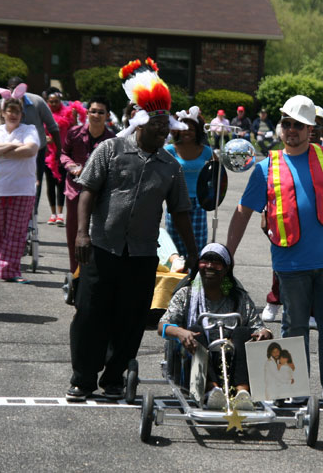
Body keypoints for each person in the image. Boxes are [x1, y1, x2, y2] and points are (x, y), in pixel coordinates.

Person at [67, 59, 198, 402]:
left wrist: (194, 251)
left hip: (141, 256)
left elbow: (181, 212)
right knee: (91, 316)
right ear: (139, 122)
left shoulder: (171, 166)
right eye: (156, 124)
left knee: (129, 320)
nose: (162, 131)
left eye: (165, 126)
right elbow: (87, 192)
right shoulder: (109, 150)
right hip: (101, 249)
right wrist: (82, 234)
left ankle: (113, 379)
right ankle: (82, 379)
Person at [226, 94, 323, 406]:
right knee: (293, 329)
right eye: (286, 123)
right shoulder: (266, 168)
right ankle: (291, 388)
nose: (291, 130)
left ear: (311, 128)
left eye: (298, 125)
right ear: (280, 127)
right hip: (290, 267)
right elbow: (242, 212)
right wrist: (226, 254)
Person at [158, 243, 272, 409]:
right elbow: (162, 326)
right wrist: (181, 332)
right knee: (195, 330)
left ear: (226, 269)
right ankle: (211, 390)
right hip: (196, 357)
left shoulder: (238, 297)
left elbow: (257, 326)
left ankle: (242, 392)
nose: (210, 266)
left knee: (242, 332)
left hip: (231, 359)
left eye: (217, 262)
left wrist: (264, 333)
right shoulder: (187, 294)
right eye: (205, 261)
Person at [0, 97, 40, 283]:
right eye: (10, 111)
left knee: (16, 233)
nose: (13, 115)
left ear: (21, 114)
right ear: (3, 113)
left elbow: (30, 150)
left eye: (17, 111)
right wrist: (15, 145)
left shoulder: (29, 129)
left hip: (22, 189)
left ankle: (11, 270)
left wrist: (2, 151)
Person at [60, 96, 116, 274]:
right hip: (75, 191)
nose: (96, 115)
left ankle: (92, 275)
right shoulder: (74, 133)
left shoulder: (112, 139)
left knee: (97, 237)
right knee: (74, 236)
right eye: (93, 111)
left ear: (107, 115)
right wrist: (71, 166)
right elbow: (63, 154)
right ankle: (74, 275)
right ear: (87, 113)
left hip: (100, 195)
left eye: (101, 112)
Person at [1, 77, 60, 214]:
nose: (13, 91)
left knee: (34, 183)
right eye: (11, 87)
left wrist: (59, 149)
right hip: (10, 151)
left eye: (17, 87)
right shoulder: (2, 103)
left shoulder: (37, 101)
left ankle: (31, 214)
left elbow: (52, 126)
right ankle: (13, 212)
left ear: (23, 88)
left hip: (36, 151)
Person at [166, 106, 213, 257]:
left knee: (197, 244)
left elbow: (218, 172)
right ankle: (179, 278)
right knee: (176, 244)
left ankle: (195, 277)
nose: (187, 131)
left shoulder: (206, 151)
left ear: (198, 131)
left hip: (199, 202)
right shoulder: (169, 150)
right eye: (183, 128)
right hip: (176, 201)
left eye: (191, 129)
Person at [43, 88, 78, 226]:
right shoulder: (44, 115)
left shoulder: (67, 113)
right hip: (48, 155)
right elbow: (38, 130)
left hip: (63, 154)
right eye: (51, 102)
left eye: (56, 101)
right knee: (50, 184)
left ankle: (60, 214)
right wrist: (45, 138)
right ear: (47, 102)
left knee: (62, 183)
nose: (54, 104)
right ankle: (53, 213)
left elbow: (74, 130)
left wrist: (74, 118)